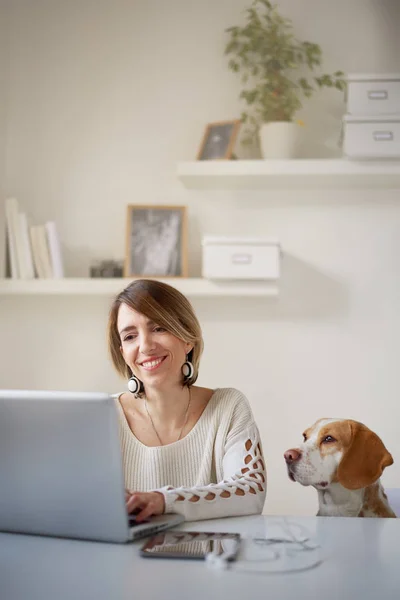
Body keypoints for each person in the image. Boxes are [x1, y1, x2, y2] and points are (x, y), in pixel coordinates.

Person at [107, 278, 266, 522]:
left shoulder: (228, 407)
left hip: (210, 561)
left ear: (188, 338)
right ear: (123, 353)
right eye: (130, 336)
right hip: (123, 559)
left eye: (159, 328)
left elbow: (250, 492)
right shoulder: (104, 415)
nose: (145, 346)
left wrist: (164, 501)